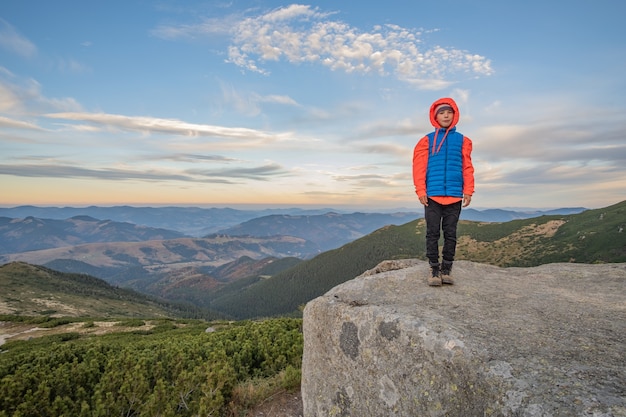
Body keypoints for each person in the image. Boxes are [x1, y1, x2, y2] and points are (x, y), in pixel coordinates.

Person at [412, 97, 475, 286]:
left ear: (455, 115)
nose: (446, 115)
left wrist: (469, 190)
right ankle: (433, 268)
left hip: (455, 194)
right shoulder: (426, 141)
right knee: (432, 233)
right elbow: (419, 167)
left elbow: (467, 167)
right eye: (442, 112)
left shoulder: (463, 141)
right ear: (435, 116)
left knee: (451, 233)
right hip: (432, 195)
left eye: (449, 112)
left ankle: (447, 269)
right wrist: (420, 190)